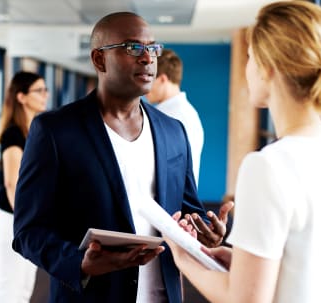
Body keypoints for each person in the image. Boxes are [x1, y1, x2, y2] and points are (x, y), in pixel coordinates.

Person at [12, 12, 232, 302]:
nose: (148, 58)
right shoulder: (55, 131)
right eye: (133, 48)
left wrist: (205, 234)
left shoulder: (173, 132)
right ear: (99, 60)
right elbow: (29, 231)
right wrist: (79, 262)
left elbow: (188, 208)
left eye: (153, 48)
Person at [164, 2, 321, 302]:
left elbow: (243, 300)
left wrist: (183, 258)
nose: (247, 68)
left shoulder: (268, 166)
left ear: (268, 67)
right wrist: (243, 265)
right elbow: (315, 266)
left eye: (249, 57)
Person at [0, 71, 48, 303]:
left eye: (45, 90)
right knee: (10, 288)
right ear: (21, 97)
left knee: (23, 288)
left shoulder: (34, 129)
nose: (45, 95)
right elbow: (12, 183)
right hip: (11, 217)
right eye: (38, 90)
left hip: (25, 217)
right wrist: (26, 224)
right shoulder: (14, 133)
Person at [145, 49, 204, 185]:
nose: (145, 87)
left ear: (162, 79)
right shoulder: (187, 113)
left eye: (149, 78)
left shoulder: (172, 117)